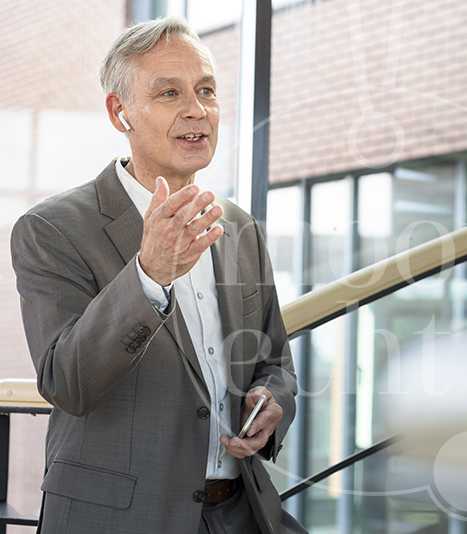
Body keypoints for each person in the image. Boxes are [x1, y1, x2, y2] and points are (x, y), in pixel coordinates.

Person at [11, 17, 305, 534]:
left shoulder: (238, 227)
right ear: (119, 111)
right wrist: (148, 275)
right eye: (169, 92)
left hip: (241, 513)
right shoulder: (51, 228)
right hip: (119, 519)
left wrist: (270, 400)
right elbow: (67, 382)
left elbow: (274, 361)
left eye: (207, 91)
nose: (198, 110)